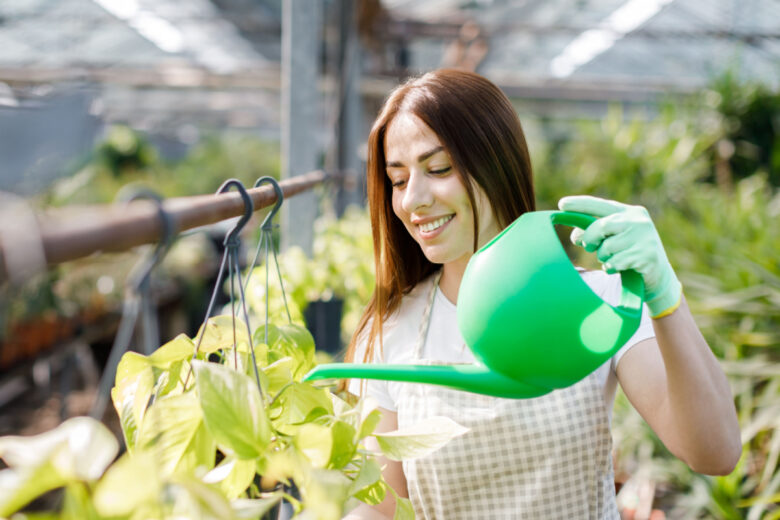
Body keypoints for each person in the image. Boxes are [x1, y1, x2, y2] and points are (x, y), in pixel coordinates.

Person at [342, 69, 741, 519]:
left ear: (496, 164)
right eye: (397, 180)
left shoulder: (596, 300)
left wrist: (664, 294)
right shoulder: (394, 329)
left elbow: (716, 452)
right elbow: (381, 509)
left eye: (438, 169)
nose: (412, 200)